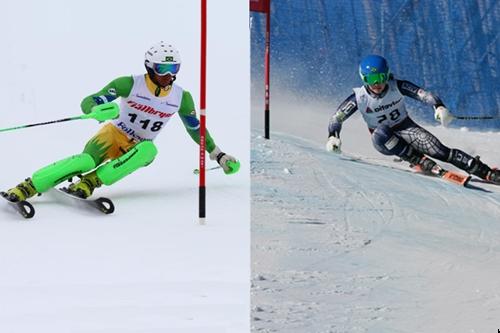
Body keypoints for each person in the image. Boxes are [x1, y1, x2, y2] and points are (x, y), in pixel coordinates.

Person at [4, 41, 240, 202]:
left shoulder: (181, 97)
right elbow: (90, 100)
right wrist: (96, 109)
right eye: (162, 68)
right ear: (150, 67)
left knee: (149, 149)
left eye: (173, 68)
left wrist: (218, 154)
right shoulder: (129, 84)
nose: (168, 75)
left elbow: (195, 128)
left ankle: (90, 183)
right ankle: (29, 185)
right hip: (113, 134)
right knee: (86, 160)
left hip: (136, 148)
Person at [326, 54, 499, 183]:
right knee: (381, 131)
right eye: (371, 79)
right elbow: (336, 118)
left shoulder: (397, 86)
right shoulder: (359, 97)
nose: (377, 84)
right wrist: (333, 136)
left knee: (440, 150)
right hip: (383, 141)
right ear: (364, 79)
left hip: (405, 128)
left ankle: (486, 172)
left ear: (387, 75)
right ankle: (418, 160)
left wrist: (438, 106)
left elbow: (425, 95)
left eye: (381, 77)